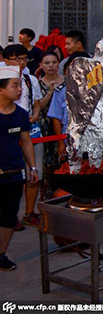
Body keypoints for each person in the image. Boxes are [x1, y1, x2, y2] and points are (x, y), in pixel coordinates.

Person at [0, 65, 39, 271]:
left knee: (8, 217)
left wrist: (33, 168)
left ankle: (1, 254)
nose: (19, 90)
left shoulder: (21, 114)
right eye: (15, 86)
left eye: (19, 86)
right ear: (1, 89)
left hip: (14, 174)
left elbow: (26, 142)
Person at [3, 45, 43, 227]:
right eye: (17, 59)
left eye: (25, 59)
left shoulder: (29, 78)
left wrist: (35, 114)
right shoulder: (3, 77)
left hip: (27, 126)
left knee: (32, 173)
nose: (22, 63)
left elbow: (36, 102)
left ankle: (28, 212)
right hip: (6, 131)